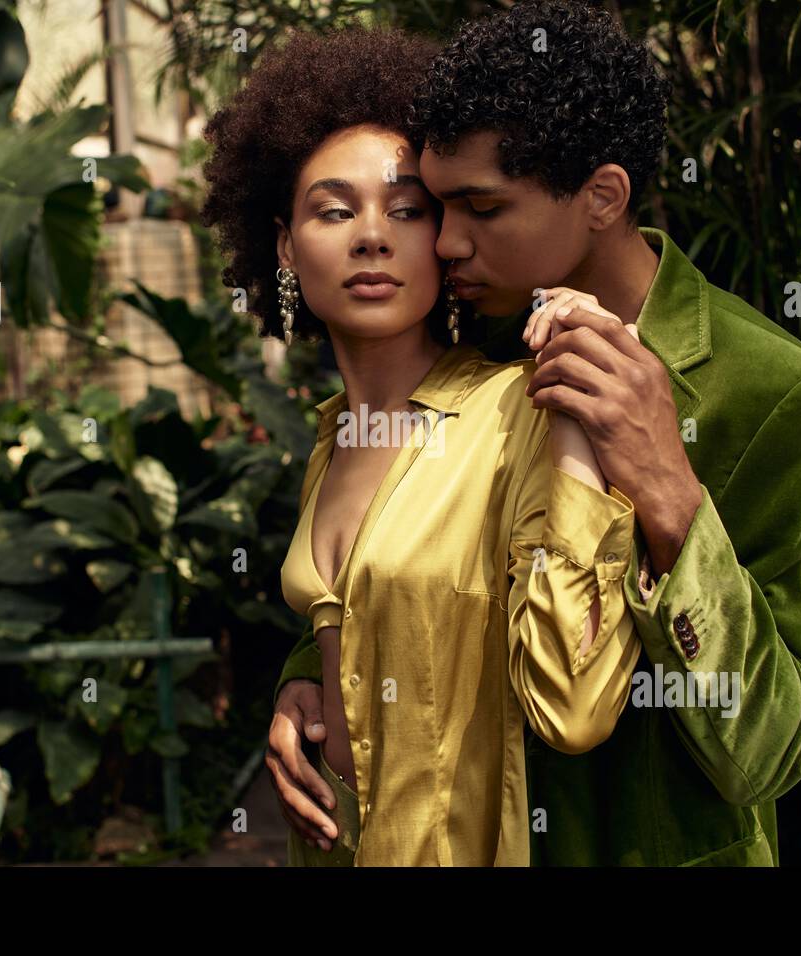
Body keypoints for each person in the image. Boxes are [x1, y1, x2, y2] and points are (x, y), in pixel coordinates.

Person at [272, 0, 801, 866]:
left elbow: (774, 747)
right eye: (435, 205)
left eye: (480, 207)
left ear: (602, 197)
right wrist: (308, 684)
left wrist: (668, 493)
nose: (447, 242)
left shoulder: (777, 392)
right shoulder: (473, 343)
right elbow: (408, 575)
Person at [201, 25, 643, 866]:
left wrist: (578, 421)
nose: (372, 236)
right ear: (288, 248)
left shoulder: (519, 409)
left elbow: (576, 707)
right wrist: (296, 699)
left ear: (443, 238)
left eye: (407, 211)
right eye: (335, 211)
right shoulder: (331, 442)